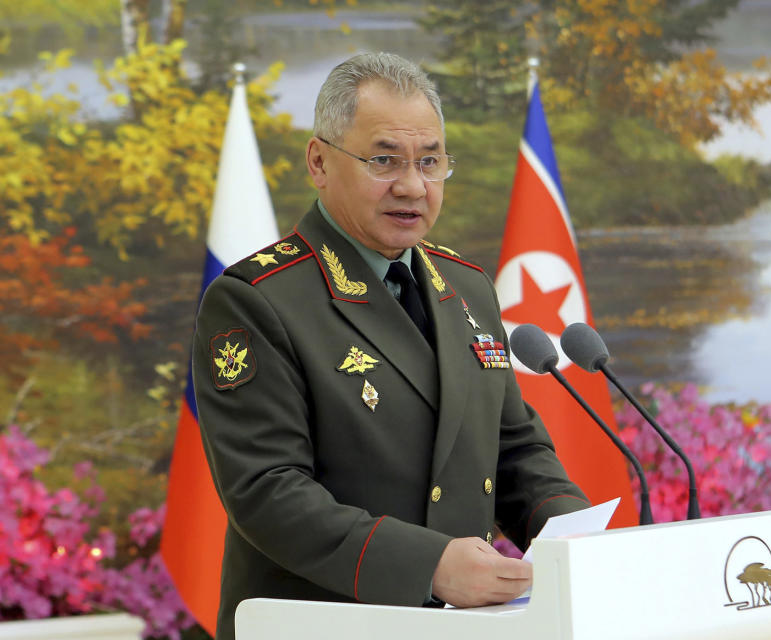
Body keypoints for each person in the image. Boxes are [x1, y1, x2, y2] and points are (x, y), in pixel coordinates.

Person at [192, 52, 590, 640]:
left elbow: (512, 447)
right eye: (384, 160)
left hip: (466, 627)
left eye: (430, 162)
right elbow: (268, 490)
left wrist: (574, 536)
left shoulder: (468, 287)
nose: (412, 185)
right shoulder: (260, 299)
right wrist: (428, 566)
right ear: (319, 162)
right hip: (325, 625)